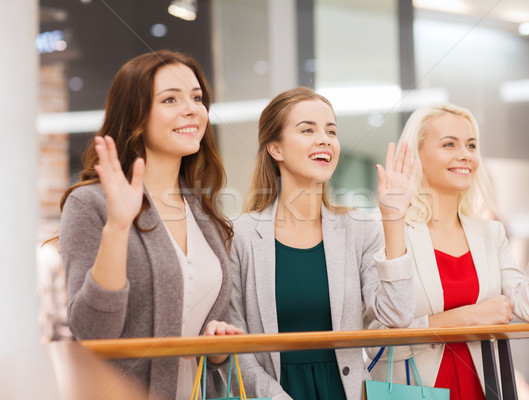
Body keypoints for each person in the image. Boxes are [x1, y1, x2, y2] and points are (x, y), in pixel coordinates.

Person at [367, 103, 529, 400]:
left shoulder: (489, 234)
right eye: (449, 144)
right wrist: (466, 318)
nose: (466, 155)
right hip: (414, 390)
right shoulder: (386, 228)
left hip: (480, 388)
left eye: (471, 145)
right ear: (416, 155)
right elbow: (375, 340)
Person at [57, 50, 242, 400]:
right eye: (170, 98)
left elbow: (212, 334)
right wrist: (117, 227)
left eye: (197, 97)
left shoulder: (206, 215)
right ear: (135, 116)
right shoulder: (90, 204)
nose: (191, 108)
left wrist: (219, 347)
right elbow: (93, 333)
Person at [227, 87, 417, 400]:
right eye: (307, 130)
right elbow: (235, 347)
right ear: (276, 149)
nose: (325, 139)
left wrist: (393, 219)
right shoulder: (240, 236)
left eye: (331, 130)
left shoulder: (358, 232)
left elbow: (398, 315)